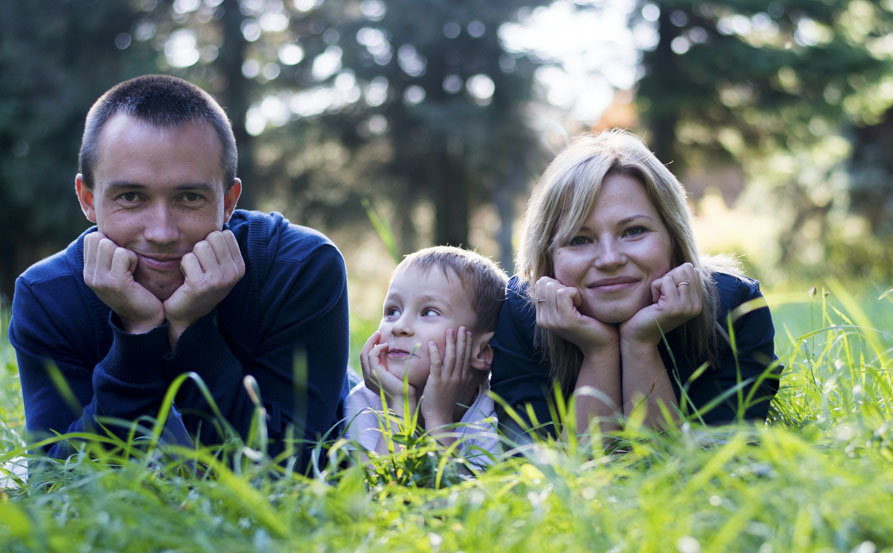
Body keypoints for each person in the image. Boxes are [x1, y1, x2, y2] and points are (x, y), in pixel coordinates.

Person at [8, 75, 349, 471]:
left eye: (189, 197)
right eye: (131, 197)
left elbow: (291, 470)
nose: (162, 233)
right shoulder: (47, 297)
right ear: (88, 199)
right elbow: (58, 484)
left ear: (227, 202)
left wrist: (190, 328)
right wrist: (137, 335)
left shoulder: (298, 268)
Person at [490, 129, 780, 438]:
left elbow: (708, 468)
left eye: (634, 231)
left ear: (673, 235)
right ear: (548, 254)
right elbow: (547, 473)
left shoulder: (735, 307)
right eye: (579, 239)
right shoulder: (521, 313)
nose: (609, 258)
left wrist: (640, 344)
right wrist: (600, 352)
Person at [343, 246, 507, 468]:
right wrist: (398, 404)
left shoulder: (492, 411)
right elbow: (374, 493)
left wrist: (438, 418)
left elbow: (461, 498)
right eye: (392, 311)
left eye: (429, 312)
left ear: (483, 351)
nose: (399, 326)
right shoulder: (367, 400)